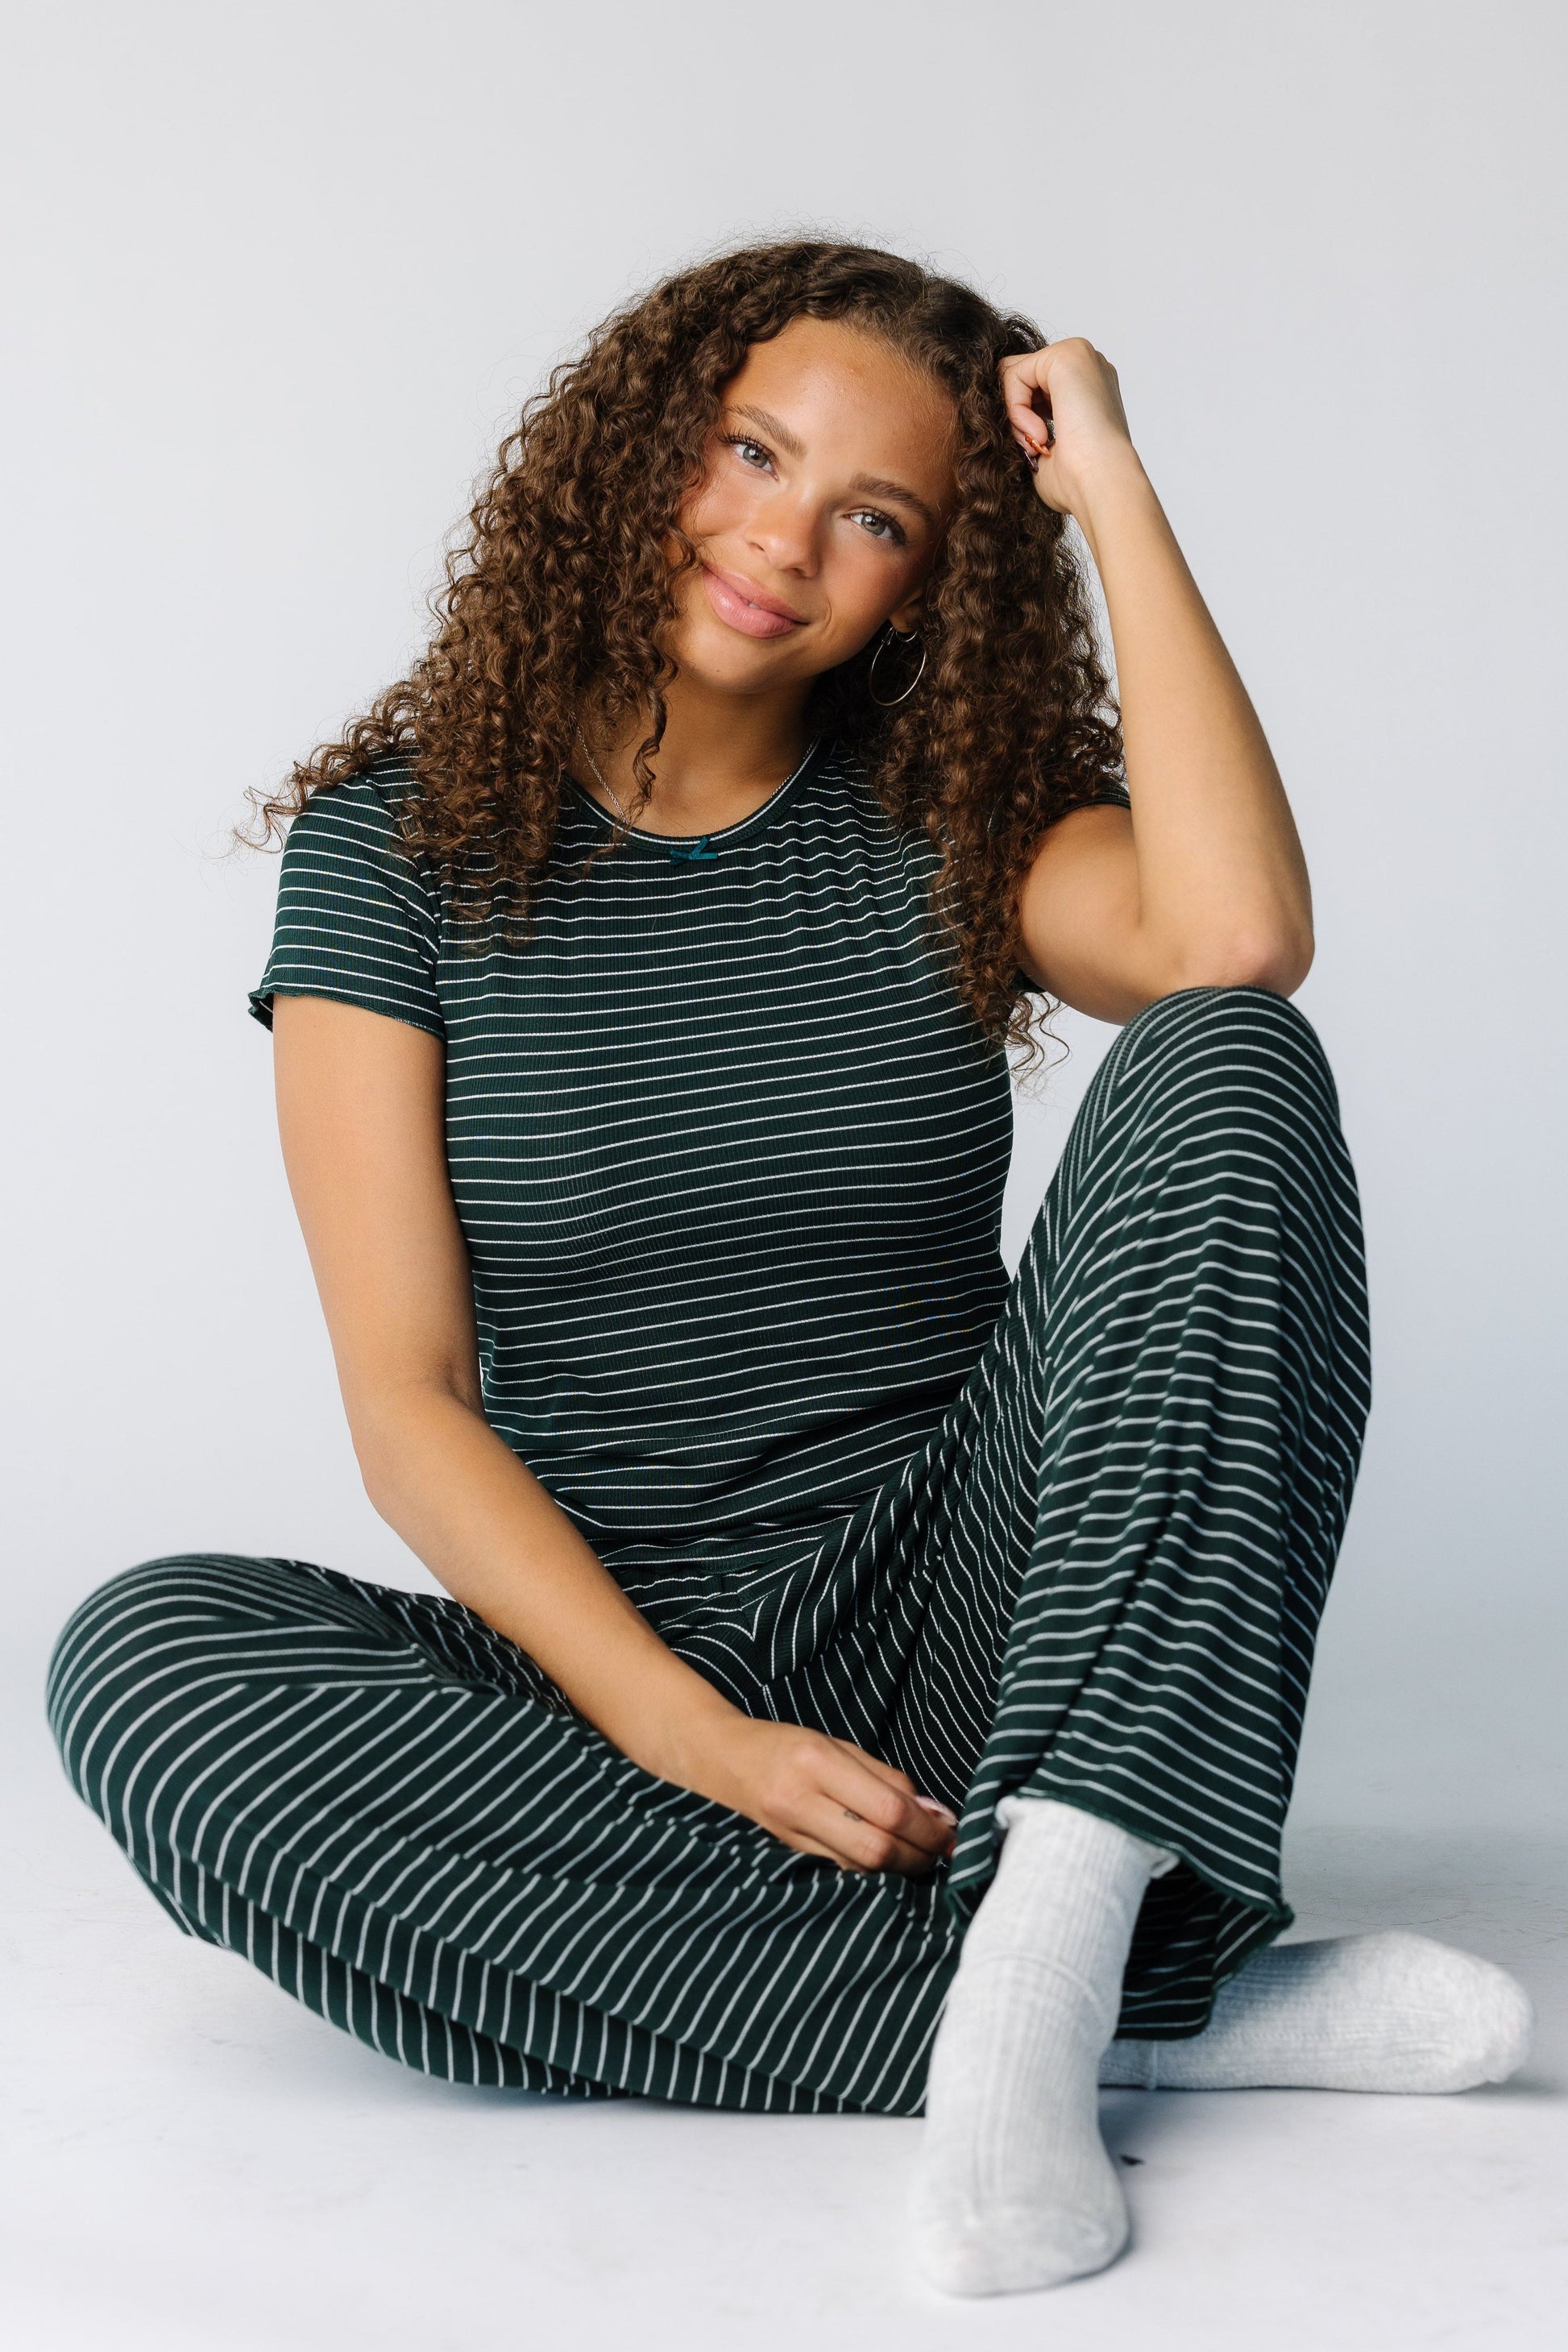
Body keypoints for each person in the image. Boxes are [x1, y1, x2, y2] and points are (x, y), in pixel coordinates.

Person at [48, 240, 1531, 2297]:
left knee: (1229, 1066)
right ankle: (1148, 2004)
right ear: (642, 451)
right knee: (149, 1664)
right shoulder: (389, 853)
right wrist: (691, 1733)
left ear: (932, 580)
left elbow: (1232, 939)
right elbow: (406, 1401)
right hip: (618, 1677)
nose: (782, 538)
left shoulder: (952, 820)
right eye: (751, 452)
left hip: (968, 1616)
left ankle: (1053, 1913)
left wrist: (1105, 480)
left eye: (876, 515)